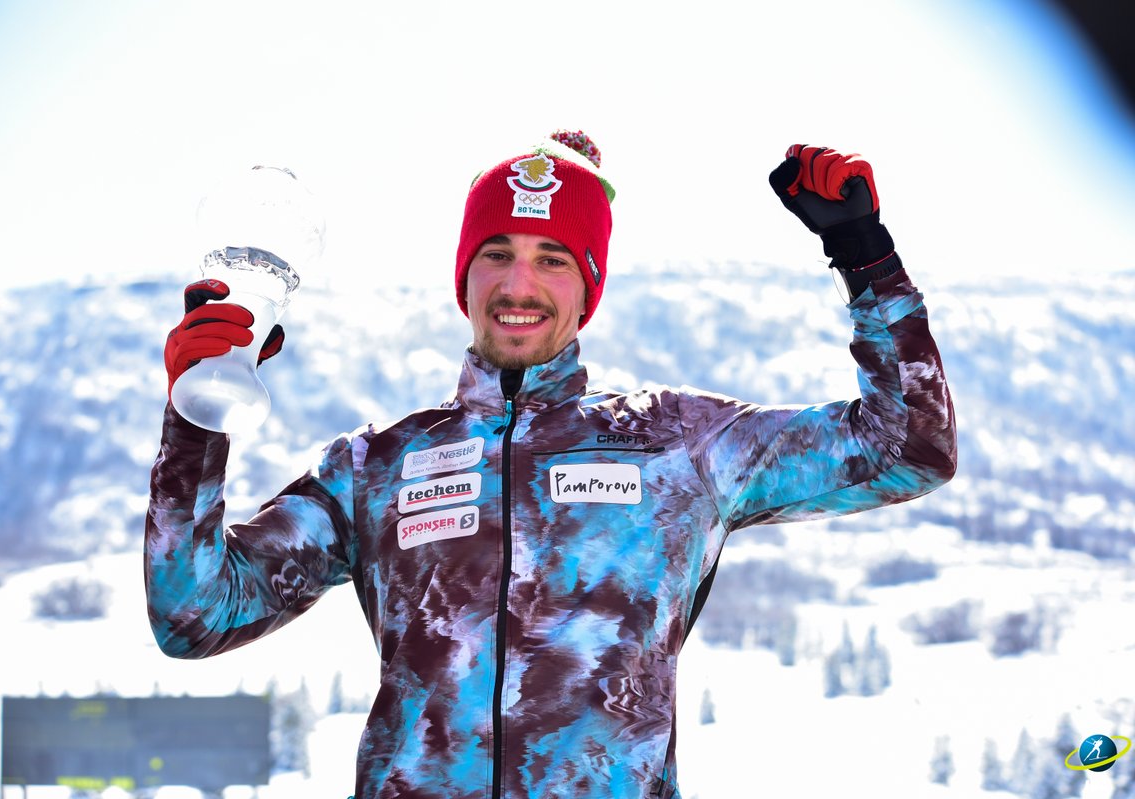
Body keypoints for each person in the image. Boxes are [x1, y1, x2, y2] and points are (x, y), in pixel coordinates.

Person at [146, 131, 957, 799]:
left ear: (588, 284)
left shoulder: (677, 446)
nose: (518, 283)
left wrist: (865, 258)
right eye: (496, 252)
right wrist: (196, 418)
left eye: (553, 258)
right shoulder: (377, 467)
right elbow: (195, 614)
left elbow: (910, 447)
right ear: (464, 276)